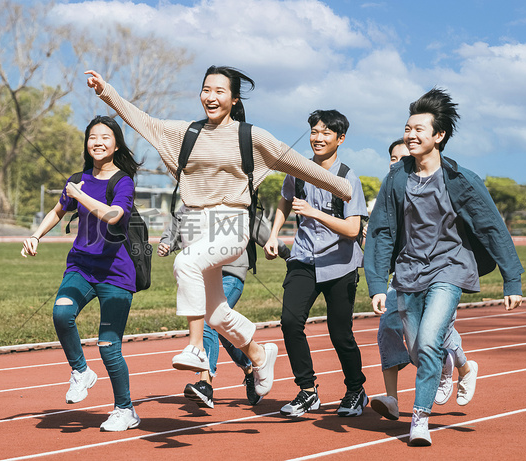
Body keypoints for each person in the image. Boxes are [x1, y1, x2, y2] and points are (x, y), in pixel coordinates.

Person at [86, 66, 352, 400]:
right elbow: (140, 119)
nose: (211, 97)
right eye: (206, 90)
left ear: (234, 98)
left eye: (219, 91)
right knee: (215, 312)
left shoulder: (251, 137)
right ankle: (258, 354)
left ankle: (196, 348)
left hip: (231, 221)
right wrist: (106, 91)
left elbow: (301, 164)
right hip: (196, 224)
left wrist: (341, 187)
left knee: (185, 264)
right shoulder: (184, 133)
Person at [365, 88, 524, 446]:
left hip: (449, 268)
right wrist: (377, 283)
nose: (411, 134)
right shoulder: (397, 179)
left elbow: (491, 226)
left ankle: (419, 421)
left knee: (432, 338)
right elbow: (382, 231)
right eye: (408, 128)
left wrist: (511, 279)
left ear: (439, 136)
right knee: (419, 350)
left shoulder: (459, 179)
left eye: (420, 129)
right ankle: (448, 366)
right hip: (408, 273)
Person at [21, 116, 142, 432]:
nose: (98, 142)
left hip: (116, 273)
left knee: (108, 345)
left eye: (105, 137)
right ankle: (80, 371)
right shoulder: (78, 179)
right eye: (92, 137)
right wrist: (36, 235)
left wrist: (80, 195)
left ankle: (124, 409)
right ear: (86, 143)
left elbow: (113, 216)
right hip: (81, 266)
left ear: (116, 144)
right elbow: (58, 210)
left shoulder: (123, 181)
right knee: (61, 313)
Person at [265, 110, 368, 418]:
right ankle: (308, 391)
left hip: (340, 264)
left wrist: (315, 213)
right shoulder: (298, 170)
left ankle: (355, 390)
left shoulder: (348, 177)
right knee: (290, 321)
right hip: (303, 259)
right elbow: (286, 200)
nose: (318, 138)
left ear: (340, 139)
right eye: (314, 132)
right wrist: (273, 234)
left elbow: (353, 229)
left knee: (340, 333)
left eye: (326, 133)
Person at [370, 139, 474, 421]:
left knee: (435, 332)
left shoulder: (432, 188)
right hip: (402, 275)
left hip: (441, 271)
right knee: (388, 327)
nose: (397, 162)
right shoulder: (391, 191)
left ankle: (461, 366)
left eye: (402, 157)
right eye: (393, 157)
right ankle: (392, 398)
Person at [159, 213, 290, 408]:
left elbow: (259, 229)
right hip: (202, 268)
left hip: (231, 271)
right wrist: (167, 242)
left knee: (208, 320)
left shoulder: (234, 196)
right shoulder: (192, 200)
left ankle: (205, 383)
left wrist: (287, 253)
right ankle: (250, 364)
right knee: (220, 324)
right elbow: (179, 225)